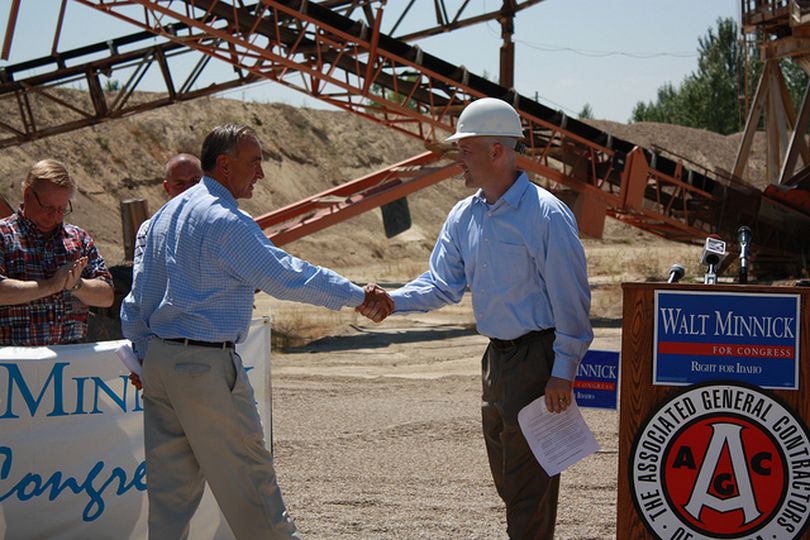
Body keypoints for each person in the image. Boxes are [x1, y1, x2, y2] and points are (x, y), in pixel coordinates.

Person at [120, 123, 392, 539]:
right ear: (225, 165)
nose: (261, 175)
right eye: (255, 163)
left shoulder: (160, 220)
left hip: (163, 363)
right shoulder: (225, 220)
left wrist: (145, 356)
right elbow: (286, 276)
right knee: (251, 483)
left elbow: (137, 301)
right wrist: (357, 295)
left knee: (170, 500)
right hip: (204, 366)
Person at [362, 97, 593, 539]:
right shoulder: (464, 215)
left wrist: (562, 373)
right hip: (496, 361)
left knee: (529, 489)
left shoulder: (545, 215)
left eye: (465, 149)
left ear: (497, 151)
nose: (459, 160)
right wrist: (393, 300)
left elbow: (572, 303)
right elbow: (441, 284)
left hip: (537, 360)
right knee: (510, 479)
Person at [0, 159, 114, 345]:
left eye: (62, 209)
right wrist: (52, 285)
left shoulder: (78, 238)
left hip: (71, 365)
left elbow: (107, 296)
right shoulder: (3, 236)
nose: (55, 216)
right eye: (48, 208)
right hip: (13, 368)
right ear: (28, 195)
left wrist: (76, 285)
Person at [128, 154, 204, 390]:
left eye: (194, 181)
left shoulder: (223, 223)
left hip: (214, 350)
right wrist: (141, 353)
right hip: (167, 349)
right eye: (180, 183)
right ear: (166, 187)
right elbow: (140, 293)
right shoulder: (149, 230)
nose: (188, 189)